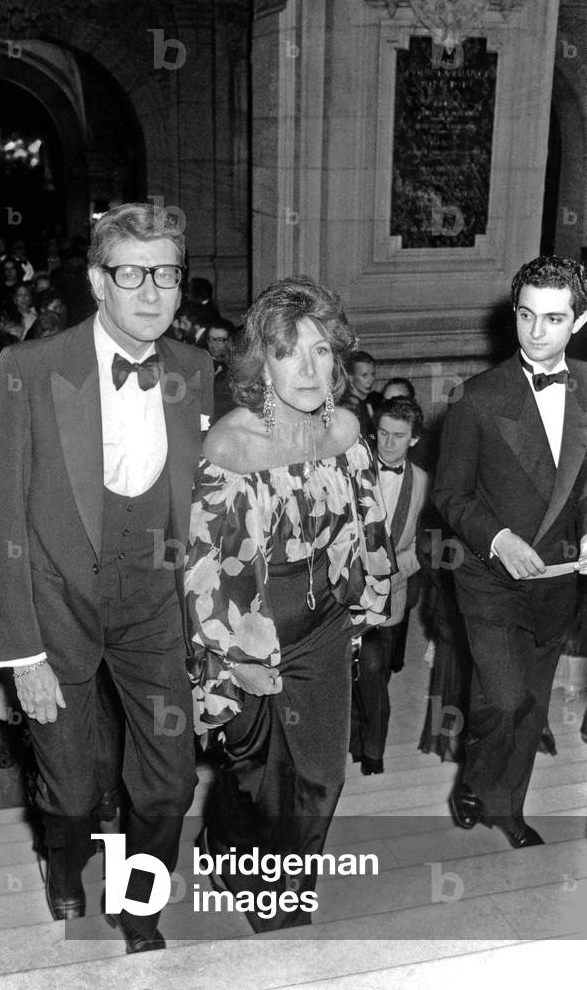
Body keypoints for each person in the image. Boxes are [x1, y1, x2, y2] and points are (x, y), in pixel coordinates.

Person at [0, 203, 213, 954]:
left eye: (167, 273)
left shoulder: (195, 369)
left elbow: (208, 502)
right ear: (95, 281)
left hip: (155, 610)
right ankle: (60, 858)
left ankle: (139, 904)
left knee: (170, 779)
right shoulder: (31, 369)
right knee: (72, 789)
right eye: (131, 273)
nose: (152, 292)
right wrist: (21, 655)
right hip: (56, 611)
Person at [185, 277, 392, 932]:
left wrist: (374, 593)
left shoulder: (345, 429)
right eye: (288, 352)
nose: (308, 367)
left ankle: (284, 895)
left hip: (325, 623)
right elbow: (205, 571)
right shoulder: (232, 445)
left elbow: (368, 521)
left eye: (321, 350)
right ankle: (225, 848)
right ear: (260, 363)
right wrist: (234, 657)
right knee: (255, 776)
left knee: (320, 778)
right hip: (251, 629)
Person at [433, 255, 587, 847]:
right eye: (526, 316)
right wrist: (498, 539)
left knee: (529, 710)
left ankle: (507, 806)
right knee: (504, 697)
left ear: (579, 322)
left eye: (553, 318)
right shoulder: (475, 397)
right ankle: (473, 778)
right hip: (489, 578)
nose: (536, 331)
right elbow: (448, 493)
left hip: (557, 578)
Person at [350, 396, 429, 774]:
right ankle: (350, 738)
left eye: (399, 436)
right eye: (382, 433)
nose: (389, 443)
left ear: (414, 439)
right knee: (348, 670)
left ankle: (373, 750)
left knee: (376, 671)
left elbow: (423, 546)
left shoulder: (425, 483)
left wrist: (392, 574)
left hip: (392, 594)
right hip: (347, 592)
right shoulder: (352, 471)